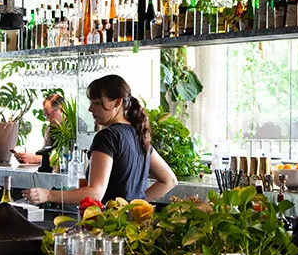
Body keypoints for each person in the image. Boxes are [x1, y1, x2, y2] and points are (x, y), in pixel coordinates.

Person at [23, 75, 177, 205]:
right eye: (91, 102)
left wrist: (49, 195)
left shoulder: (107, 137)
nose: (90, 109)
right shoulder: (138, 134)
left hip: (107, 226)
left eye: (97, 103)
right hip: (135, 228)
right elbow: (169, 180)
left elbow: (95, 193)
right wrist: (133, 206)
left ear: (117, 103)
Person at [15, 93, 64, 167]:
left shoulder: (75, 129)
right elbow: (46, 153)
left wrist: (36, 159)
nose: (47, 119)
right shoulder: (50, 129)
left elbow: (68, 158)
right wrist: (29, 157)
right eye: (45, 116)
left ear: (61, 110)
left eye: (49, 115)